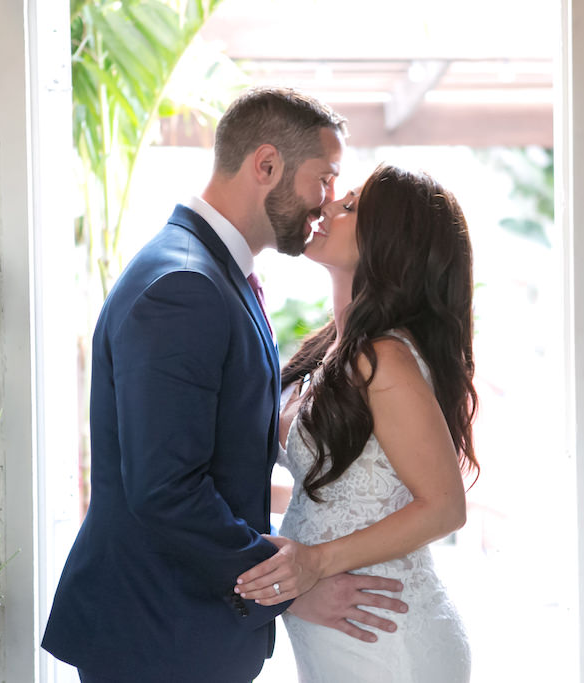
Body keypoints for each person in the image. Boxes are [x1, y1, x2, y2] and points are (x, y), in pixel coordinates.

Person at [41, 88, 408, 683]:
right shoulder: (184, 285)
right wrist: (285, 586)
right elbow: (167, 490)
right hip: (158, 636)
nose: (330, 199)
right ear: (266, 165)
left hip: (181, 629)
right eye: (325, 177)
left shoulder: (212, 273)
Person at [234, 163, 479, 682]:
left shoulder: (384, 358)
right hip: (343, 635)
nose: (326, 208)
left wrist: (315, 563)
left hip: (386, 636)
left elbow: (445, 506)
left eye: (349, 208)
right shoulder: (333, 349)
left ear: (388, 247)